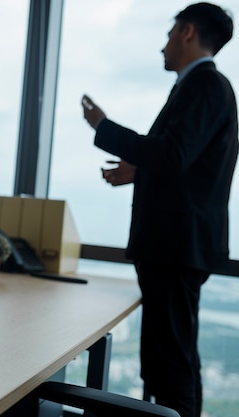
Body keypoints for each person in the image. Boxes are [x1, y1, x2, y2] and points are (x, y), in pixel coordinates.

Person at [81, 3, 237, 417]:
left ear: (187, 32)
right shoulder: (205, 86)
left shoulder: (204, 85)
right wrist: (139, 172)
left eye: (168, 35)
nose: (162, 47)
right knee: (170, 360)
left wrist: (103, 127)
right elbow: (183, 164)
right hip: (176, 245)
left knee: (171, 366)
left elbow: (172, 155)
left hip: (175, 246)